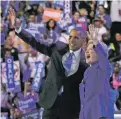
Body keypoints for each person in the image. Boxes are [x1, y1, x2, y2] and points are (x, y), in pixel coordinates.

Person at [9, 8, 88, 119]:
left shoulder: (87, 60)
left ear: (84, 41)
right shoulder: (58, 50)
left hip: (71, 108)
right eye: (70, 37)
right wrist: (18, 29)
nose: (72, 40)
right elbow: (36, 43)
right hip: (50, 103)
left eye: (76, 38)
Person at [79, 24, 114, 119]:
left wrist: (96, 42)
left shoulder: (104, 68)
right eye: (87, 49)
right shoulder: (87, 71)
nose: (86, 51)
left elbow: (103, 56)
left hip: (101, 115)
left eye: (91, 50)